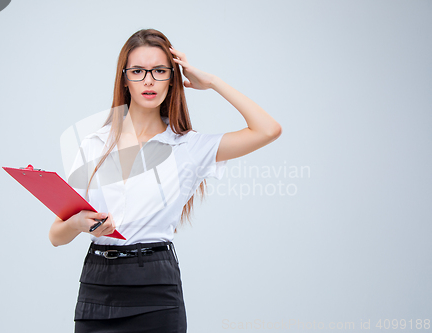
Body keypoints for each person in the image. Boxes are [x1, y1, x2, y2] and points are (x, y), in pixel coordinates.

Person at [48, 28, 281, 333]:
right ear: (124, 79)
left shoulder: (190, 147)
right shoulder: (93, 145)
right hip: (98, 286)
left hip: (156, 286)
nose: (148, 80)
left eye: (159, 71)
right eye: (138, 71)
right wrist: (80, 224)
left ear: (172, 78)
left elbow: (268, 130)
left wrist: (211, 82)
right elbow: (56, 235)